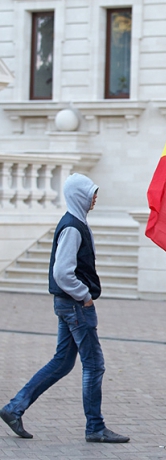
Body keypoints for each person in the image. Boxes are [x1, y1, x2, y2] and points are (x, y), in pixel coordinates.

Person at [0, 173, 129, 444]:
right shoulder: (72, 226)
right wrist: (85, 296)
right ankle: (95, 427)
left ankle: (14, 408)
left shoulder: (75, 222)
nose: (95, 198)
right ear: (79, 196)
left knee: (62, 362)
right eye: (92, 193)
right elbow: (62, 272)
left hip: (68, 305)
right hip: (76, 306)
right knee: (94, 366)